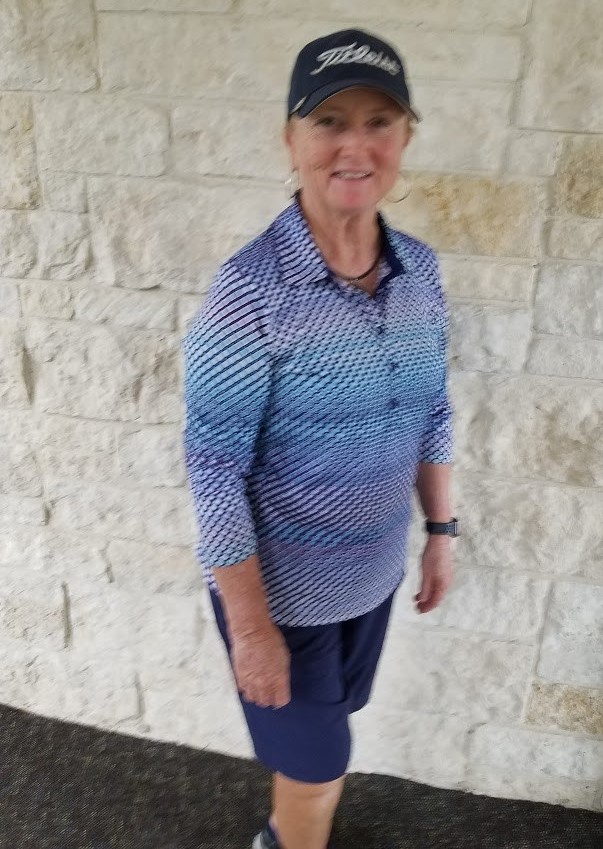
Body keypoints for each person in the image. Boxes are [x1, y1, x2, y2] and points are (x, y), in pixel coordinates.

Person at [182, 28, 460, 849]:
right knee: (318, 766)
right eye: (329, 120)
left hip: (371, 575)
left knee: (324, 741)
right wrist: (252, 627)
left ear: (405, 137)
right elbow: (212, 467)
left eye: (378, 120)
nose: (354, 144)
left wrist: (439, 535)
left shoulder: (421, 270)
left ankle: (281, 831)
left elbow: (432, 411)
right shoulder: (248, 294)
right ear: (291, 139)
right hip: (281, 597)